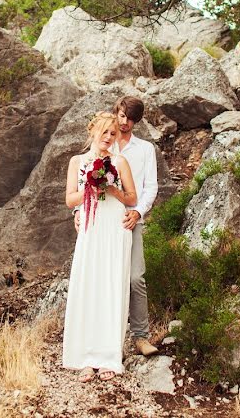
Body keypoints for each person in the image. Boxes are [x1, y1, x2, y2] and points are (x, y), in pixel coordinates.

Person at [62, 111, 138, 383]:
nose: (108, 137)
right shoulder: (77, 161)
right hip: (91, 228)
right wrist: (91, 188)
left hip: (115, 227)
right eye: (104, 132)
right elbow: (71, 199)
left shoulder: (120, 161)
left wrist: (112, 188)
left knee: (111, 287)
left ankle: (108, 356)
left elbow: (132, 197)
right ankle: (85, 357)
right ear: (92, 131)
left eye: (113, 134)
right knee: (89, 286)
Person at [112, 96, 160, 357]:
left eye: (130, 119)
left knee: (135, 278)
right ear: (116, 113)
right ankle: (111, 340)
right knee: (109, 279)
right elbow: (87, 179)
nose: (124, 122)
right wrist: (78, 211)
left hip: (132, 221)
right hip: (105, 221)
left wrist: (138, 212)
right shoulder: (105, 143)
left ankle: (141, 337)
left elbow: (151, 186)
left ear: (137, 121)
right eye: (121, 116)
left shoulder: (144, 150)